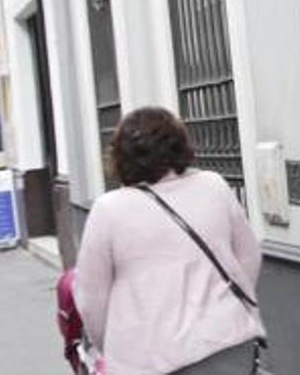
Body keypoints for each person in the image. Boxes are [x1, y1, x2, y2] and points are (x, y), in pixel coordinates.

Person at [75, 107, 265, 374]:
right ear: (179, 145)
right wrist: (224, 305)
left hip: (149, 357)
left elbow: (90, 298)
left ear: (120, 157)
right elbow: (249, 256)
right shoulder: (214, 186)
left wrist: (112, 345)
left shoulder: (109, 210)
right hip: (226, 344)